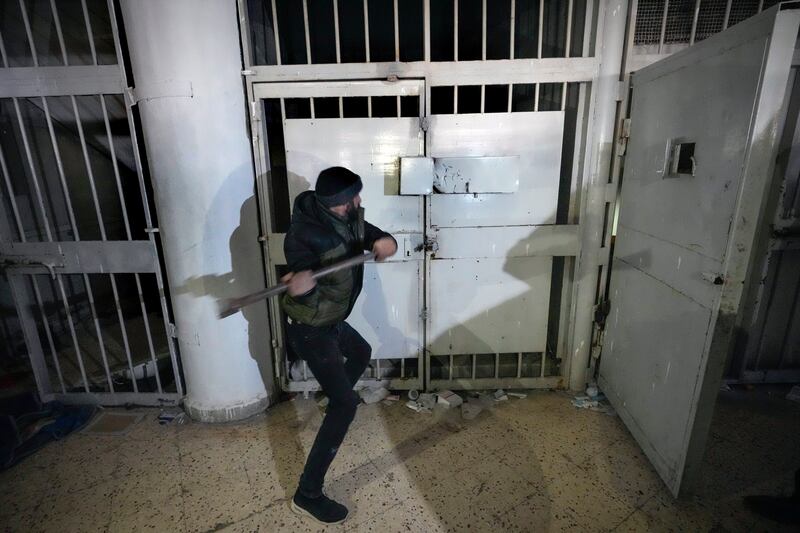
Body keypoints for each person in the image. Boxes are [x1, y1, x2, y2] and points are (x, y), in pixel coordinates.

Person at [281, 166, 397, 525]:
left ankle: (332, 399)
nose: (359, 201)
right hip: (310, 327)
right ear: (336, 203)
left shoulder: (350, 217)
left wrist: (383, 240)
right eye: (353, 197)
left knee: (361, 352)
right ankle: (307, 494)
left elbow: (371, 234)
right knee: (347, 406)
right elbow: (301, 277)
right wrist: (302, 284)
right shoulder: (302, 234)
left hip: (330, 320)